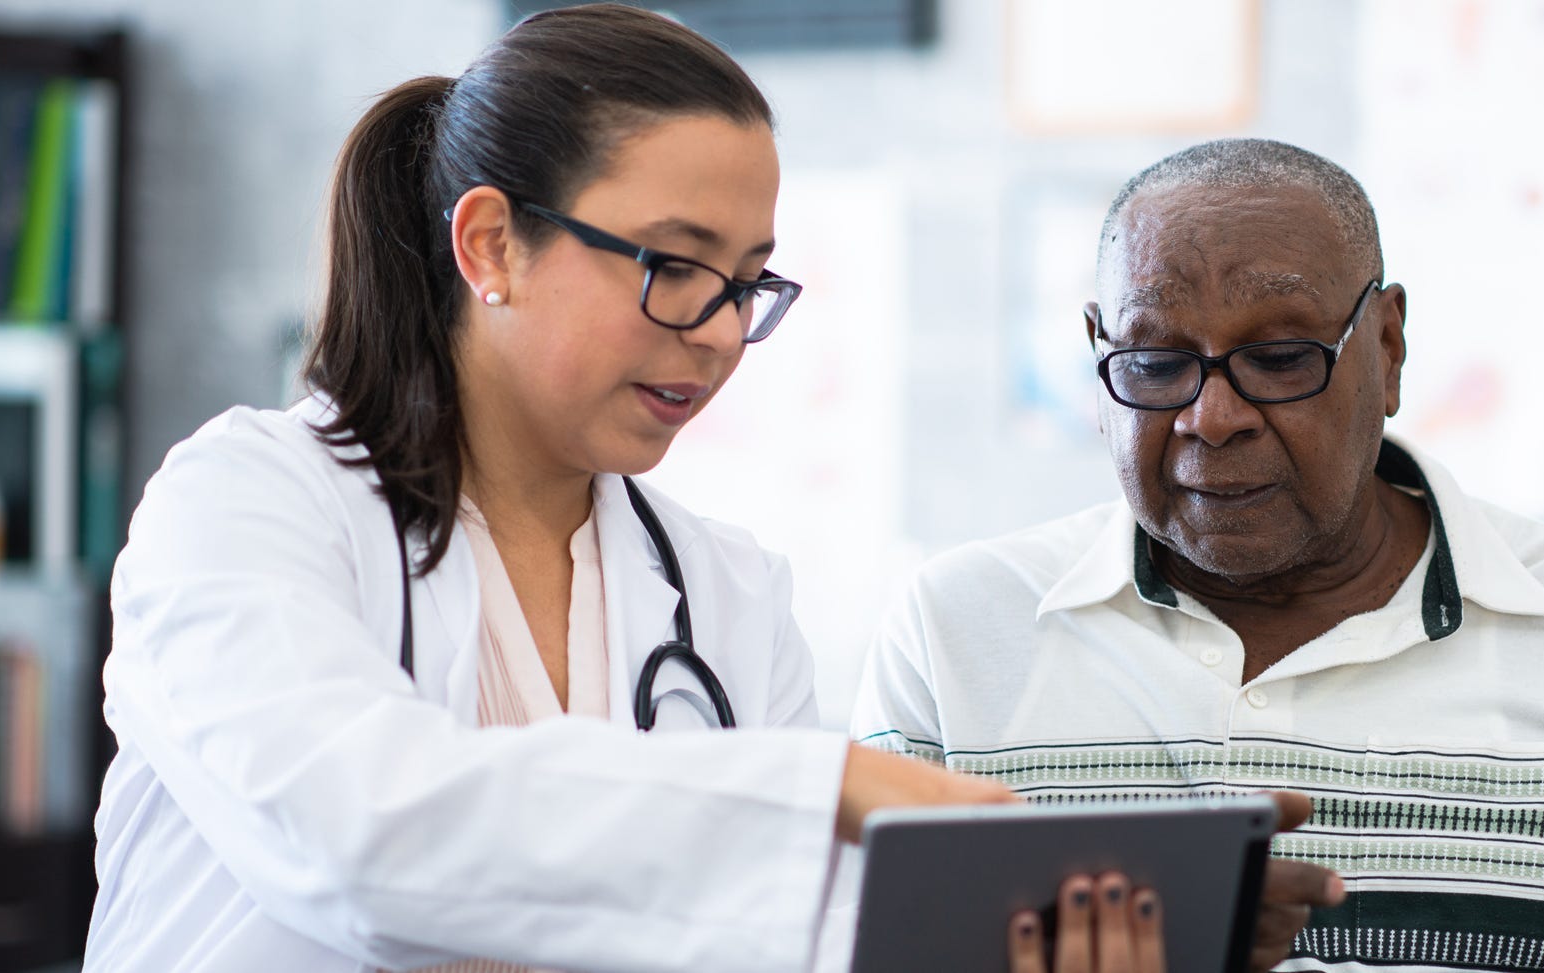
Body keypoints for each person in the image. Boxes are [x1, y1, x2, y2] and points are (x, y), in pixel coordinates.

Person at [84, 8, 1028, 971]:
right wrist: (809, 790)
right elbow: (357, 840)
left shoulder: (729, 594)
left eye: (746, 283)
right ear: (492, 244)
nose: (719, 333)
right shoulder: (244, 503)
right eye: (673, 265)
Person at [851, 138, 1544, 972]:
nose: (1210, 418)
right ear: (1097, 358)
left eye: (1279, 357)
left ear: (1385, 347)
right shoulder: (955, 634)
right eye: (1154, 361)